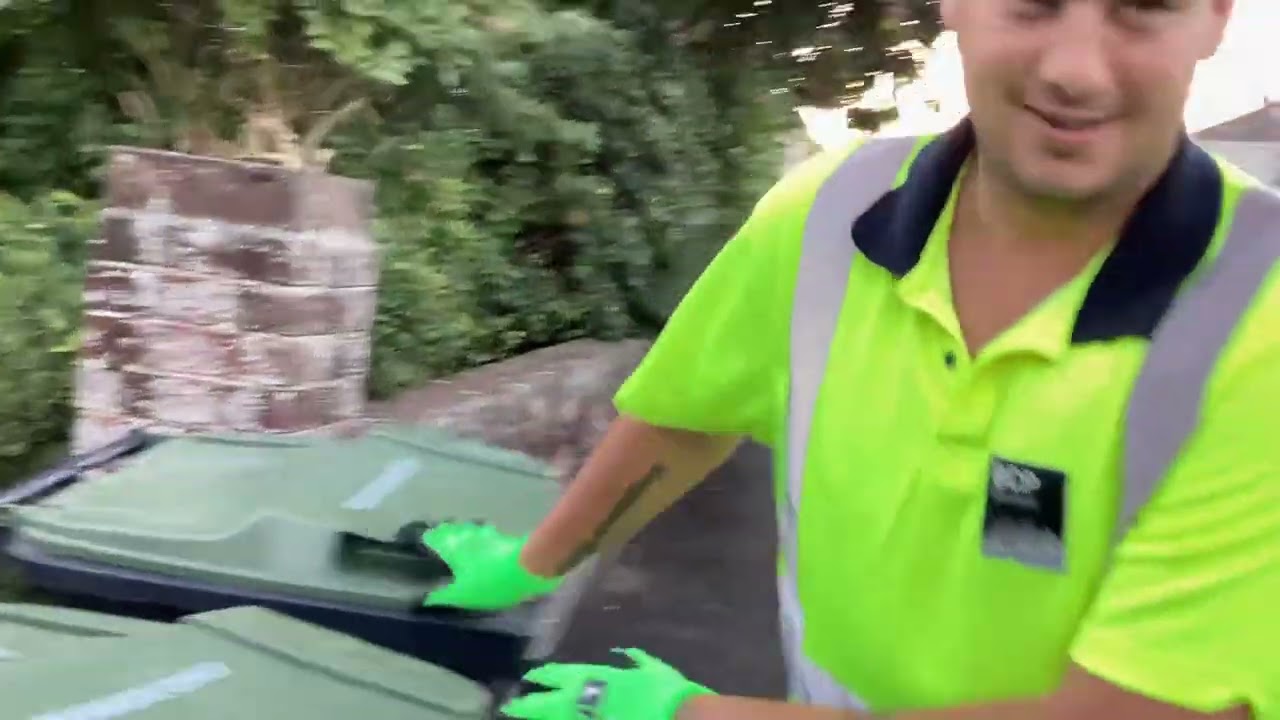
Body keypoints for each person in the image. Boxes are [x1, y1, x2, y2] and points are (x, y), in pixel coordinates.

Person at [419, 0, 1280, 718]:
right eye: (1033, 0)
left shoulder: (1262, 317)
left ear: (1214, 18)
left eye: (1142, 7)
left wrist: (691, 714)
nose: (1076, 69)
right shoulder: (831, 212)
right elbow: (684, 420)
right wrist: (534, 562)